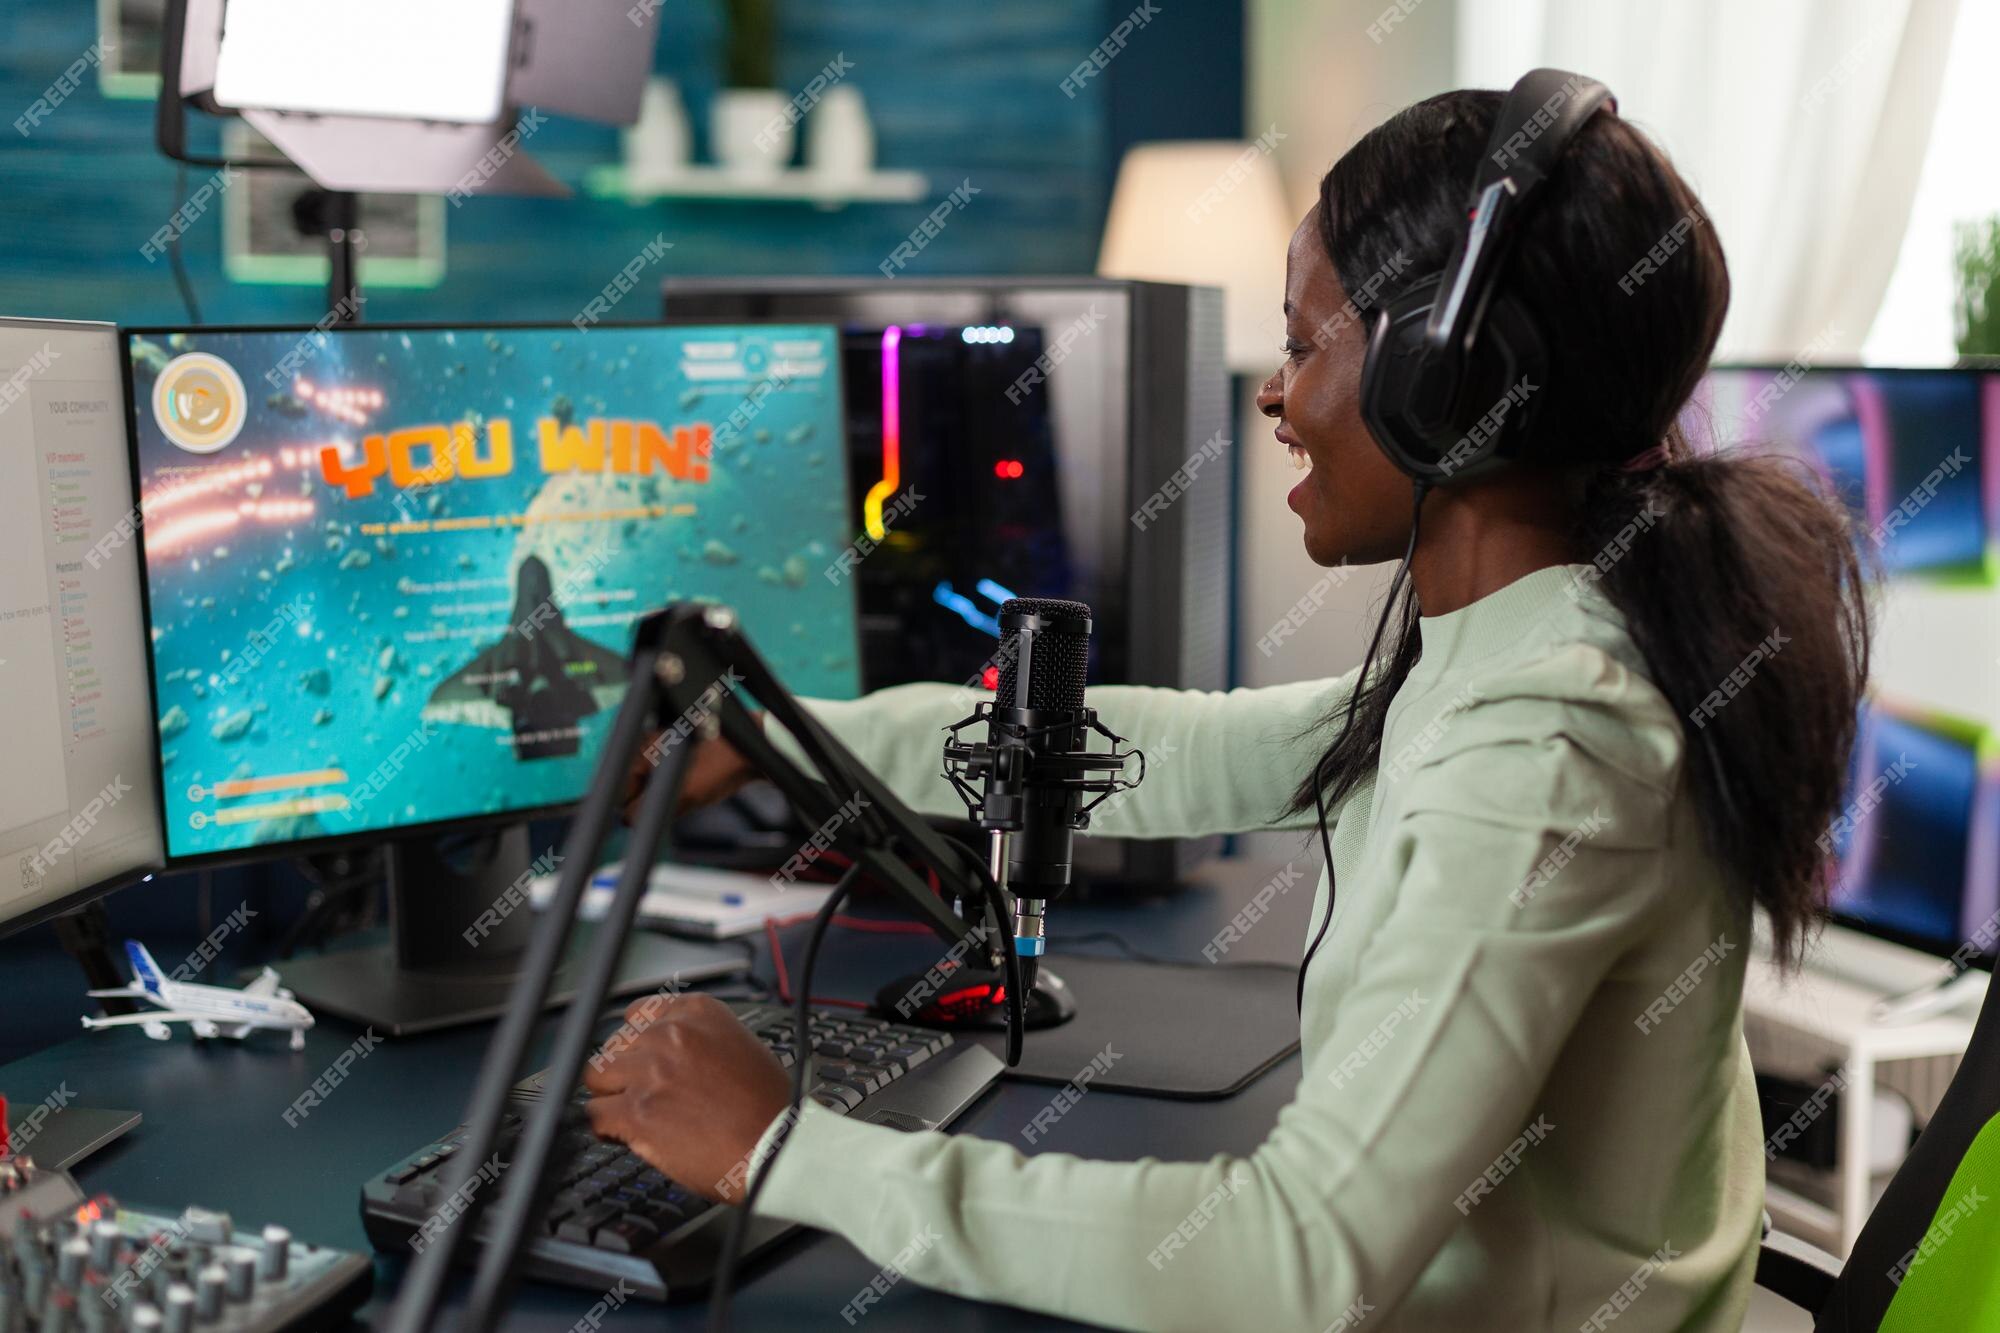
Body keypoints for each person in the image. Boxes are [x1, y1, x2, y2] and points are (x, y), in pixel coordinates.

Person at [583, 84, 1870, 1331]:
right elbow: (1164, 751)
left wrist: (781, 1147)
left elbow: (1293, 1264)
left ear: (1442, 383)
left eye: (1305, 344)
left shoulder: (1550, 744)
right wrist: (771, 741)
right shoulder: (1517, 649)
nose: (1270, 392)